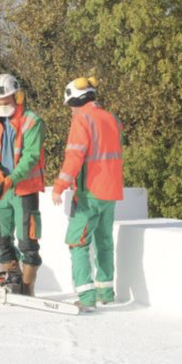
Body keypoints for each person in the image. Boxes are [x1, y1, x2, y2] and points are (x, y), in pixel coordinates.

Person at [51, 77, 124, 312]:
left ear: (76, 100)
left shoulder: (81, 119)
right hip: (111, 192)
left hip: (90, 192)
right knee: (104, 241)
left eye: (70, 104)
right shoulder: (112, 118)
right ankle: (106, 292)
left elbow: (75, 156)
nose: (70, 110)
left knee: (77, 242)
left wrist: (59, 186)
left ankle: (86, 296)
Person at [0, 74, 46, 296]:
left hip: (24, 189)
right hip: (0, 190)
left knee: (28, 242)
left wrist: (11, 179)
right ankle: (13, 281)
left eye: (7, 100)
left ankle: (27, 289)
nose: (3, 104)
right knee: (0, 238)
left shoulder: (32, 121)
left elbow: (31, 156)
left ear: (17, 96)